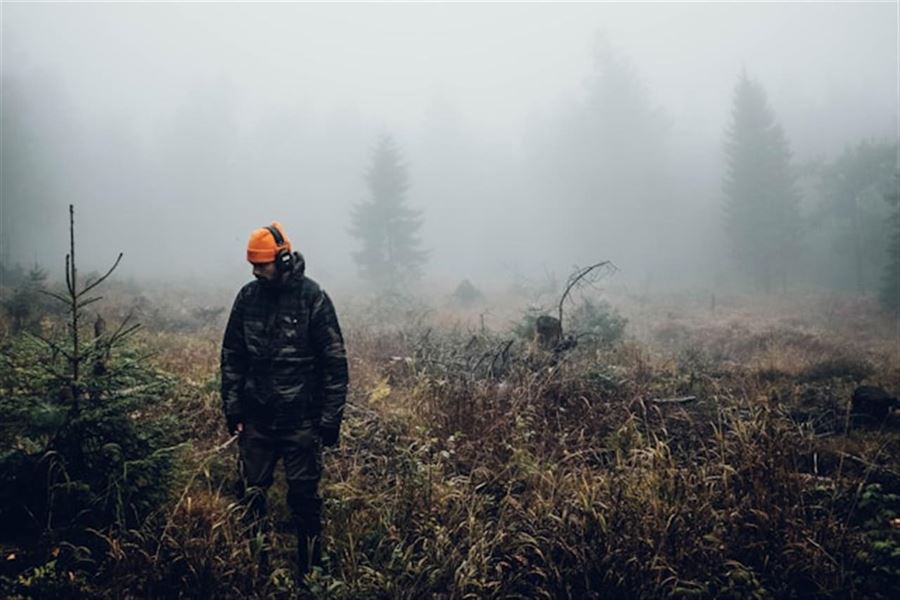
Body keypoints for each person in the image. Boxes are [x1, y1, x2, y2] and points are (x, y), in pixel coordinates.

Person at [220, 221, 349, 580]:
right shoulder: (247, 298)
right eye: (252, 265)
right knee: (251, 496)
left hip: (301, 422)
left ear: (283, 258)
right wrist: (233, 408)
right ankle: (255, 570)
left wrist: (330, 419)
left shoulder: (313, 297)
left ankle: (312, 575)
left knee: (305, 501)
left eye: (262, 264)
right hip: (257, 419)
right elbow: (232, 355)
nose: (255, 271)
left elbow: (335, 363)